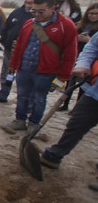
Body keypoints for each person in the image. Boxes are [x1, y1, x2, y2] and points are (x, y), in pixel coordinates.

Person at [2, 0, 77, 133]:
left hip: (46, 72)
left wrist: (63, 77)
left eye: (40, 11)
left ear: (52, 8)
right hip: (24, 68)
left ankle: (34, 123)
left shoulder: (65, 26)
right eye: (33, 11)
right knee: (22, 95)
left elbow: (70, 53)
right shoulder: (29, 24)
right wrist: (13, 65)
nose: (36, 14)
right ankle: (20, 120)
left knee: (39, 98)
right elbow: (19, 46)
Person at [40, 32, 98, 173]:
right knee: (76, 123)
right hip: (94, 92)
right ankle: (55, 155)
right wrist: (83, 64)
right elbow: (91, 48)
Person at [0, 0, 40, 103]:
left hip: (27, 53)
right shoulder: (17, 11)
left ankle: (25, 101)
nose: (28, 1)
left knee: (24, 78)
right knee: (7, 73)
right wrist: (4, 40)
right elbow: (6, 26)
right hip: (10, 50)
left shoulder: (38, 16)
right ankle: (3, 95)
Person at [58, 2, 98, 111]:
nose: (93, 16)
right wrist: (77, 38)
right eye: (91, 13)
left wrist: (89, 40)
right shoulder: (80, 24)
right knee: (69, 82)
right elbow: (70, 37)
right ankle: (64, 104)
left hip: (91, 62)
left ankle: (77, 108)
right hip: (76, 55)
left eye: (96, 14)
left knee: (83, 86)